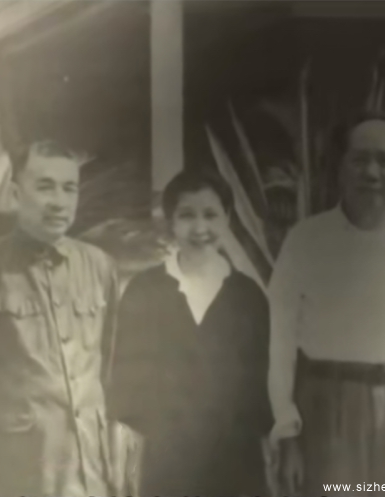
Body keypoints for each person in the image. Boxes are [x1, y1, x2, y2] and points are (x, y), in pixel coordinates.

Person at [267, 113, 385, 496]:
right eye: (359, 159)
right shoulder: (306, 241)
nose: (371, 173)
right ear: (340, 169)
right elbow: (281, 344)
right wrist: (287, 432)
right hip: (329, 409)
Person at [0, 140, 119, 497]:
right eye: (45, 187)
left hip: (89, 474)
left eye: (69, 188)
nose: (59, 201)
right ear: (16, 194)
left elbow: (105, 368)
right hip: (16, 476)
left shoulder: (100, 267)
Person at [108, 169, 273, 497]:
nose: (200, 228)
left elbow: (260, 388)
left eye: (210, 215)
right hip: (167, 464)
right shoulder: (144, 291)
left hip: (236, 464)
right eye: (187, 215)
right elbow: (128, 386)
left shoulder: (248, 297)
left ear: (227, 218)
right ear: (171, 221)